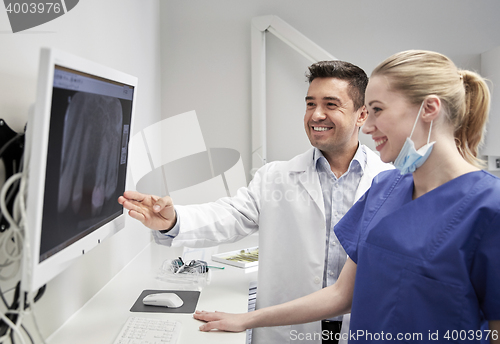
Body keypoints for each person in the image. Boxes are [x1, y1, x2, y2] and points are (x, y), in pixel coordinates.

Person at [192, 50, 500, 344]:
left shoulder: (489, 207)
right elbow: (343, 294)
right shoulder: (384, 189)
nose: (367, 127)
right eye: (309, 103)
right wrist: (247, 319)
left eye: (377, 109)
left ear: (429, 109)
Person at [118, 60, 393, 344]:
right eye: (310, 104)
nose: (316, 115)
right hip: (288, 330)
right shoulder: (276, 176)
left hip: (361, 326)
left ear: (362, 115)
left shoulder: (391, 181)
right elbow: (230, 215)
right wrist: (174, 220)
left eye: (331, 105)